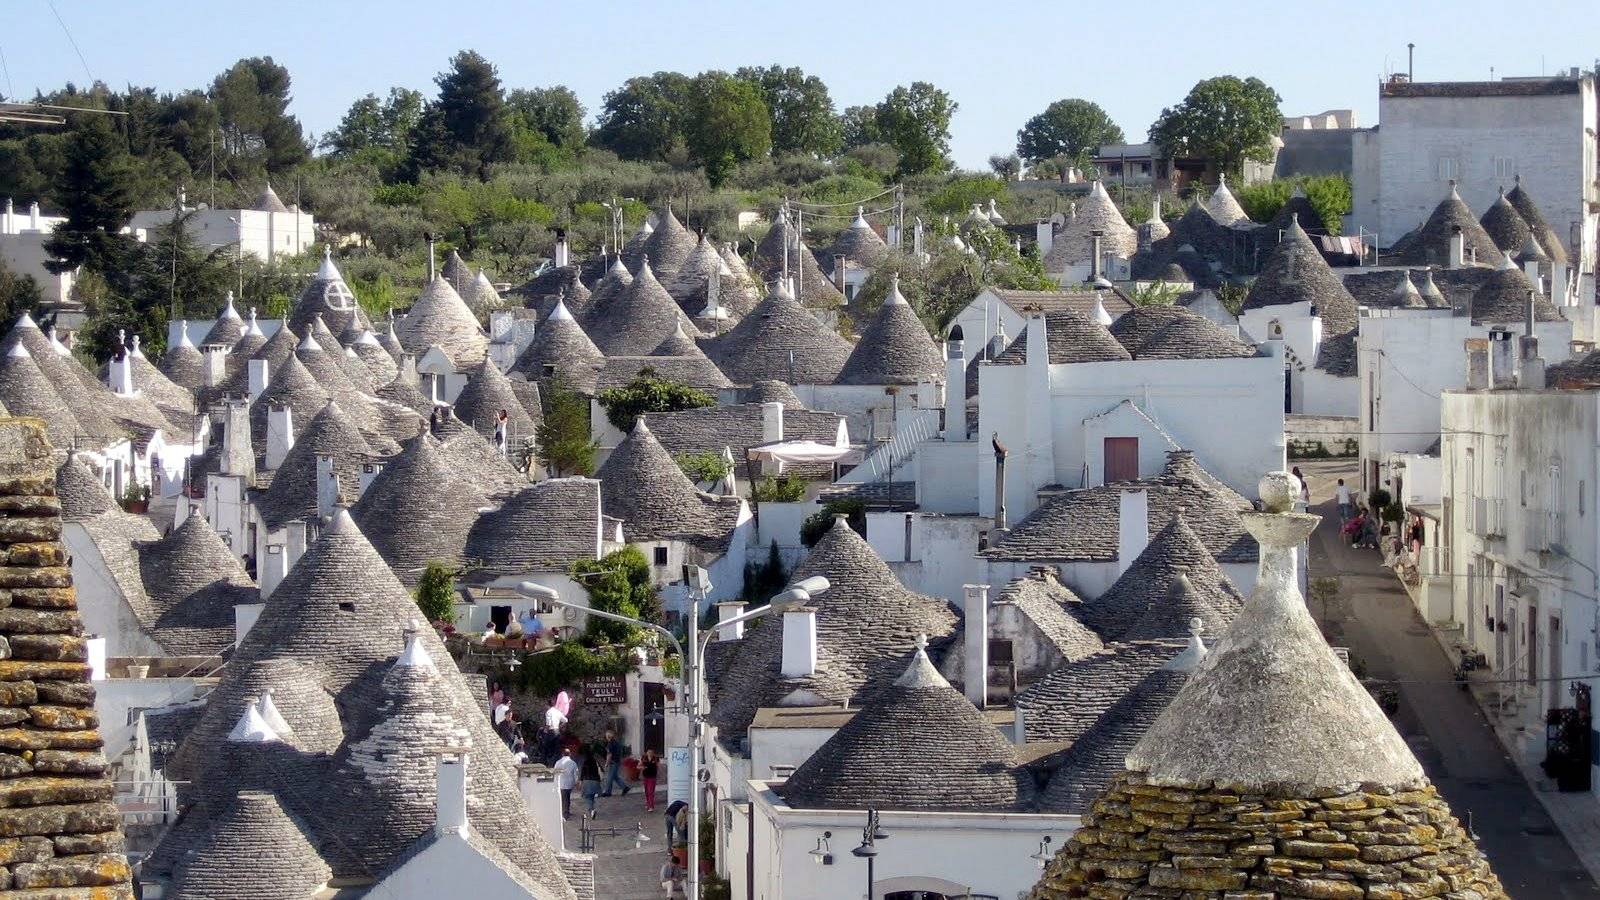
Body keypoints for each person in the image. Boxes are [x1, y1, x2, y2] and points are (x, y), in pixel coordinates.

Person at [599, 729, 630, 797]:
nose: (606, 737)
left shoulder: (610, 744)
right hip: (617, 761)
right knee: (615, 777)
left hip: (613, 762)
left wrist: (607, 763)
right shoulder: (617, 743)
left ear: (608, 736)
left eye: (606, 735)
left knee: (609, 777)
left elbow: (609, 755)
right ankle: (625, 787)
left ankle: (608, 792)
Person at [552, 748, 578, 819]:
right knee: (567, 798)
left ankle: (565, 811)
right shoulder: (573, 763)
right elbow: (575, 773)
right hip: (569, 783)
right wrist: (576, 782)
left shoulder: (558, 762)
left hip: (560, 782)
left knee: (563, 798)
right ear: (570, 754)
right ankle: (566, 812)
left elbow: (554, 772)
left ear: (562, 754)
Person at [579, 750, 602, 818]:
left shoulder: (585, 762)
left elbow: (582, 773)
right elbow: (601, 770)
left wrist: (580, 781)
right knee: (591, 796)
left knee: (588, 797)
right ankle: (592, 808)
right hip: (596, 781)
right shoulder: (595, 762)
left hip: (587, 781)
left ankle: (591, 810)